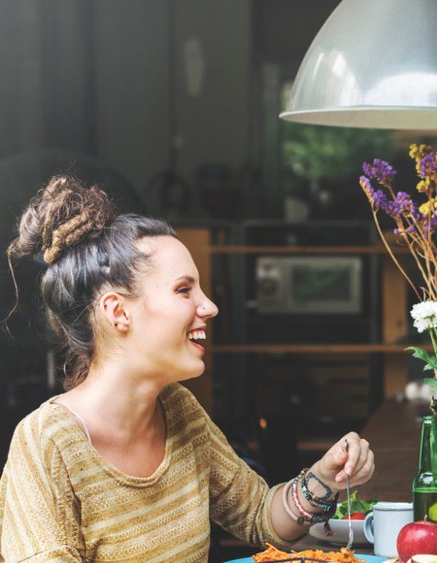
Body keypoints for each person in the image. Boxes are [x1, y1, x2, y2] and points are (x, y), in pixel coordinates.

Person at [0, 176, 375, 561]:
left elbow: (261, 518)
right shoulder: (47, 444)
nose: (209, 306)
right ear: (117, 312)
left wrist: (324, 478)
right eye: (184, 290)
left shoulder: (179, 410)